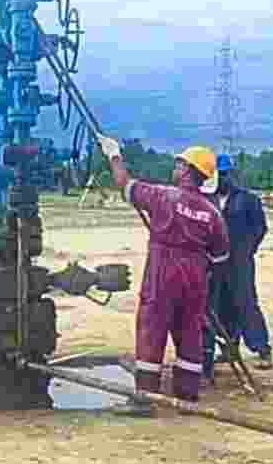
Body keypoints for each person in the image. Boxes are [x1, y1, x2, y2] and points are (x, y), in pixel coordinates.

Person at [96, 136, 230, 416]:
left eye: (179, 164)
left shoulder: (162, 196)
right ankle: (187, 399)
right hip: (195, 278)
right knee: (190, 335)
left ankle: (144, 400)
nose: (175, 167)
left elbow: (125, 184)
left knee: (151, 331)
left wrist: (114, 155)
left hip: (162, 272)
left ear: (187, 170)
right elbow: (220, 257)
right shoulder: (213, 214)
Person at [201, 154, 272, 382]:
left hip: (240, 262)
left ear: (232, 174)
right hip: (214, 263)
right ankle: (229, 349)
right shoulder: (207, 199)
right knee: (220, 306)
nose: (222, 179)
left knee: (246, 304)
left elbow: (260, 228)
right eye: (217, 175)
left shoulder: (248, 199)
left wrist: (246, 250)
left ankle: (262, 349)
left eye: (225, 174)